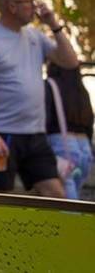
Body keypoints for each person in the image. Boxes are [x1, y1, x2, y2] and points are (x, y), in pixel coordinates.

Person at [0, 0, 78, 197]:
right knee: (2, 195)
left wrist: (54, 25)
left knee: (55, 193)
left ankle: (52, 231)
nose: (35, 7)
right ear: (12, 7)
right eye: (29, 2)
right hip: (3, 132)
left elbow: (69, 62)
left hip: (35, 133)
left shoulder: (34, 36)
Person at [44, 61, 94, 199]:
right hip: (84, 147)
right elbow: (90, 120)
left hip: (62, 143)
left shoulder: (50, 85)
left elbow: (44, 119)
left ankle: (70, 219)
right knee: (75, 191)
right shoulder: (81, 90)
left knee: (66, 194)